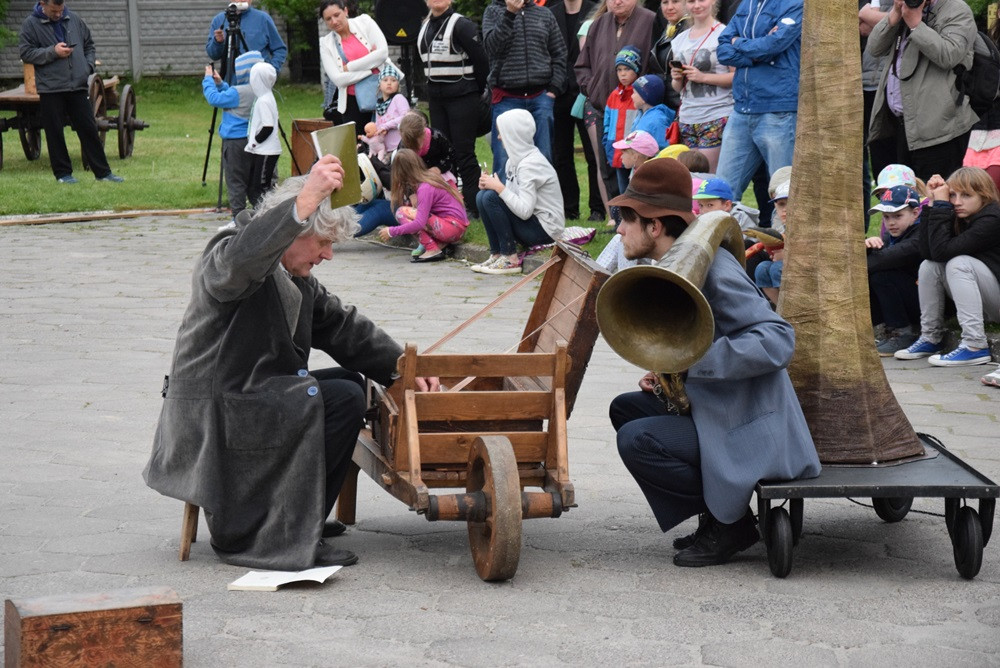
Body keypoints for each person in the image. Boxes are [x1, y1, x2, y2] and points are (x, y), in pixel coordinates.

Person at [144, 155, 439, 571]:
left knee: (349, 386)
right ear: (294, 232)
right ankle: (270, 531)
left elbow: (342, 326)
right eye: (323, 243)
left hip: (246, 397)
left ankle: (302, 519)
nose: (329, 255)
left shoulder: (292, 274)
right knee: (335, 398)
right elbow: (243, 262)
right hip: (218, 410)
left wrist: (405, 368)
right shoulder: (230, 252)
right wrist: (304, 201)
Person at [607, 157, 820, 567]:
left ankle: (732, 525)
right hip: (716, 412)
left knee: (637, 440)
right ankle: (717, 515)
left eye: (625, 220)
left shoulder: (717, 271)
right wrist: (668, 370)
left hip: (746, 425)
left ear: (654, 226)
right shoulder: (672, 265)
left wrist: (690, 363)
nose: (618, 229)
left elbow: (778, 340)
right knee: (625, 409)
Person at [896, 167, 1000, 367]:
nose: (957, 201)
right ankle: (930, 338)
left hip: (995, 299)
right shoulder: (959, 215)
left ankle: (975, 345)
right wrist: (932, 203)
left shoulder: (992, 219)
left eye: (967, 195)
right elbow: (929, 253)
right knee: (929, 266)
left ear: (984, 196)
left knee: (958, 263)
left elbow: (944, 251)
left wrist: (943, 205)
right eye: (952, 195)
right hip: (985, 300)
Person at [866, 0, 977, 183]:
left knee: (934, 199)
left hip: (939, 130)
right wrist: (894, 15)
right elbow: (874, 48)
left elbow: (949, 55)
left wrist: (916, 25)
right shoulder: (905, 11)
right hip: (900, 127)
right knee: (905, 202)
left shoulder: (957, 10)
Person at [18, 0, 124, 184]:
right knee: (54, 132)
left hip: (77, 86)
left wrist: (87, 67)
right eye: (54, 10)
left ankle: (103, 173)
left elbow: (89, 45)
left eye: (60, 10)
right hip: (51, 89)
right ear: (43, 3)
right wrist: (53, 52)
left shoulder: (74, 19)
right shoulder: (30, 24)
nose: (58, 14)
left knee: (89, 129)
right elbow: (26, 53)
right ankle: (63, 175)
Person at [714, 0, 802, 201]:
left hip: (778, 109)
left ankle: (784, 233)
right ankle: (721, 232)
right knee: (721, 193)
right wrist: (755, 55)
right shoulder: (746, 4)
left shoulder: (794, 3)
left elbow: (774, 45)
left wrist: (738, 42)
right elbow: (722, 50)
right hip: (741, 109)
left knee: (784, 193)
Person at [576, 0, 661, 207]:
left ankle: (636, 211)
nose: (617, 1)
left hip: (636, 109)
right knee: (607, 163)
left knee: (634, 163)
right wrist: (591, 87)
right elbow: (582, 64)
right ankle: (614, 217)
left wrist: (643, 94)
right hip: (601, 106)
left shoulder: (650, 21)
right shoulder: (599, 23)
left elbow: (657, 63)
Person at [416, 0, 489, 218]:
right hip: (437, 100)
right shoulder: (425, 25)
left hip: (463, 98)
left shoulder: (461, 24)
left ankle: (475, 207)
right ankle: (452, 205)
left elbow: (482, 61)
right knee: (443, 153)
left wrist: (475, 91)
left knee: (463, 153)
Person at [474, 109, 565, 275]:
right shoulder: (513, 162)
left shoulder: (530, 164)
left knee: (491, 197)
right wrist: (492, 186)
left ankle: (510, 257)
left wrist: (499, 188)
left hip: (546, 231)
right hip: (532, 224)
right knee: (482, 196)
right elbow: (512, 200)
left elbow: (524, 211)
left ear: (513, 135)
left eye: (502, 133)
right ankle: (496, 254)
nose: (499, 137)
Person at [482, 0, 568, 175]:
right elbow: (491, 48)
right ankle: (505, 202)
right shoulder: (492, 12)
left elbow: (559, 53)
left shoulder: (544, 14)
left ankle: (541, 202)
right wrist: (509, 14)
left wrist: (553, 90)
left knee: (543, 159)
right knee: (504, 161)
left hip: (540, 98)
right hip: (506, 98)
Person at [549, 0, 603, 222]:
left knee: (593, 153)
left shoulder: (595, 11)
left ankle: (598, 209)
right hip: (558, 92)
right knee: (561, 154)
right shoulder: (550, 13)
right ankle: (569, 208)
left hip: (586, 92)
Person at [668, 0, 734, 173]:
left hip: (716, 115)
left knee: (707, 179)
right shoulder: (679, 40)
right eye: (691, 1)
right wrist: (677, 78)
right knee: (691, 179)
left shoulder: (725, 34)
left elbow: (737, 77)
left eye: (701, 0)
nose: (696, 6)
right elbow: (677, 88)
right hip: (688, 118)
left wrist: (703, 77)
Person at [202, 51, 264, 225]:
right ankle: (261, 214)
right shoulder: (259, 91)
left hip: (234, 144)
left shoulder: (238, 92)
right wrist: (221, 84)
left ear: (242, 72)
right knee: (253, 182)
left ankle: (238, 218)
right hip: (253, 142)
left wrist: (208, 80)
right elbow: (233, 96)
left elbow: (214, 99)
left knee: (235, 180)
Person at [377, 148, 469, 263]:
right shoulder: (427, 179)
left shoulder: (425, 187)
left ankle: (432, 249)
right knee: (410, 209)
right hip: (455, 227)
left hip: (453, 228)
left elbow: (419, 222)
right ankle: (438, 245)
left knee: (402, 212)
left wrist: (392, 231)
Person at [866, 185, 923, 356]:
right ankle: (887, 328)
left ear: (915, 213)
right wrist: (869, 246)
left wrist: (858, 259)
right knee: (873, 275)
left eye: (898, 216)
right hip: (911, 296)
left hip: (929, 304)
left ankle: (903, 332)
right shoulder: (891, 235)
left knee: (881, 275)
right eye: (886, 217)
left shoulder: (920, 235)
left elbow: (886, 259)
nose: (891, 223)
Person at [319, 0, 390, 130]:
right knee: (358, 146)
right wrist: (370, 68)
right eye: (328, 19)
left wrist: (349, 67)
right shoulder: (326, 43)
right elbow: (339, 80)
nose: (334, 21)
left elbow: (383, 53)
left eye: (336, 15)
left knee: (385, 140)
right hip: (352, 102)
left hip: (383, 94)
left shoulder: (365, 22)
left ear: (345, 11)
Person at [206, 0, 286, 73]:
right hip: (229, 83)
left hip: (257, 81)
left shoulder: (263, 19)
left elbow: (279, 49)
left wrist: (272, 70)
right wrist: (217, 42)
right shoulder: (219, 20)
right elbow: (213, 55)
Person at [604, 46, 641, 195]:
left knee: (635, 189)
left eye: (627, 69)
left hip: (635, 152)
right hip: (617, 152)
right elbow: (607, 124)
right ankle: (621, 217)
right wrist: (607, 145)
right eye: (619, 70)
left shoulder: (639, 94)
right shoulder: (614, 95)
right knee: (622, 190)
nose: (623, 74)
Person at [245, 62, 281, 209]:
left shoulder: (264, 101)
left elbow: (268, 126)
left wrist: (255, 141)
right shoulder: (265, 98)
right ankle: (259, 213)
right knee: (254, 186)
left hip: (266, 150)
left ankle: (266, 214)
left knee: (260, 187)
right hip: (261, 149)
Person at [650, 0, 691, 111]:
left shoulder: (689, 29)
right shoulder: (671, 26)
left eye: (675, 2)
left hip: (681, 104)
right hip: (665, 103)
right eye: (665, 2)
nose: (669, 7)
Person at [753, 180, 789, 305]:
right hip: (785, 263)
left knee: (777, 269)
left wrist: (785, 254)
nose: (785, 209)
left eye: (790, 203)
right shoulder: (782, 227)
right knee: (762, 268)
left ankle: (792, 308)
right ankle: (780, 310)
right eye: (781, 204)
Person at [373, 64, 410, 156]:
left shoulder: (398, 98)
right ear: (379, 85)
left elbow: (406, 118)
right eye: (385, 80)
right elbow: (379, 126)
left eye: (393, 80)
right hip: (385, 150)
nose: (389, 83)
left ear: (398, 85)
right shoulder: (379, 105)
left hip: (400, 149)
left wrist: (386, 126)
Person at [630, 74, 673, 152]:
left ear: (644, 97)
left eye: (634, 93)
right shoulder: (640, 114)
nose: (631, 96)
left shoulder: (657, 120)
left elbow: (664, 148)